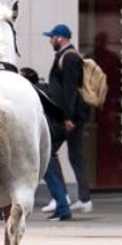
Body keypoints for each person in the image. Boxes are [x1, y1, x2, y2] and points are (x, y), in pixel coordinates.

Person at [42, 24, 93, 214]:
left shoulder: (69, 57)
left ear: (61, 38)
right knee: (75, 155)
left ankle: (61, 196)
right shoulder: (68, 56)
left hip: (69, 116)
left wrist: (68, 117)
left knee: (50, 153)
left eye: (52, 37)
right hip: (72, 114)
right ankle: (83, 198)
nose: (50, 41)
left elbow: (70, 89)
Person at [21, 67, 71, 221]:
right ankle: (62, 206)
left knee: (48, 172)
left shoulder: (32, 93)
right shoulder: (43, 89)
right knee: (47, 171)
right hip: (52, 134)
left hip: (45, 136)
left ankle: (63, 208)